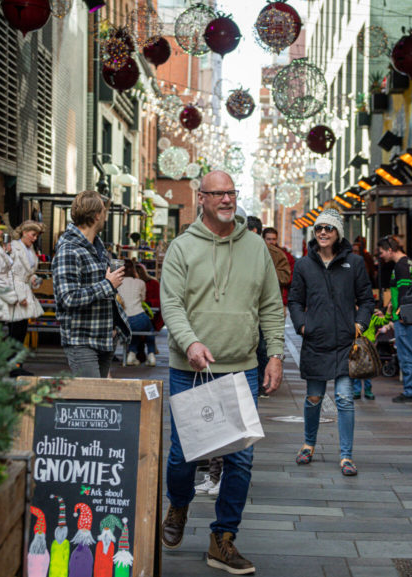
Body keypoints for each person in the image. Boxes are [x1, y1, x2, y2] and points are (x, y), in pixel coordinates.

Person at [159, 170, 284, 575]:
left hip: (241, 369)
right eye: (219, 193)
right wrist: (190, 342)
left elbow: (270, 306)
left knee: (241, 461)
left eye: (232, 192)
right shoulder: (181, 248)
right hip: (189, 368)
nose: (228, 200)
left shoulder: (254, 247)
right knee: (182, 457)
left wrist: (276, 355)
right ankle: (178, 504)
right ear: (202, 198)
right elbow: (172, 305)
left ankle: (223, 538)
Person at [288, 208, 374, 476]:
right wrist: (303, 325)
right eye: (319, 229)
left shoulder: (355, 263)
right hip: (315, 341)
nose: (323, 232)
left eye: (329, 228)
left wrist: (360, 324)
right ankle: (308, 444)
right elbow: (294, 300)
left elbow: (367, 300)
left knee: (345, 398)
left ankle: (346, 456)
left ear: (338, 233)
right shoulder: (303, 265)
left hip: (345, 344)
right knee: (314, 398)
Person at [53, 191, 130, 378]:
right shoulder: (69, 250)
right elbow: (68, 298)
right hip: (82, 341)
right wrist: (107, 284)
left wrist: (113, 327)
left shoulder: (97, 246)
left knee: (100, 400)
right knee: (90, 401)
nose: (106, 216)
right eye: (104, 211)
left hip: (103, 338)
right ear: (96, 215)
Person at [376, 236, 412, 402]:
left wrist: (400, 314)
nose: (380, 256)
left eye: (381, 252)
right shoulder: (408, 264)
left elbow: (404, 294)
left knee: (408, 355)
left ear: (390, 249)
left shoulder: (401, 266)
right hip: (407, 317)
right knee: (410, 353)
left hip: (405, 319)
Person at [248, 216, 290, 399]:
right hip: (247, 308)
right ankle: (253, 384)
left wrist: (266, 275)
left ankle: (262, 384)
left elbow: (286, 277)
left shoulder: (276, 254)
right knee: (251, 346)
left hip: (267, 306)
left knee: (265, 347)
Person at [7, 221, 46, 375]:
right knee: (15, 330)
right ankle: (12, 366)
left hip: (25, 291)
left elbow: (27, 273)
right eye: (33, 234)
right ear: (24, 232)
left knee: (21, 330)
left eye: (36, 235)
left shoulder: (30, 250)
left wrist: (34, 279)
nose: (35, 238)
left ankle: (16, 364)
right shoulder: (14, 247)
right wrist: (17, 295)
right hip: (16, 292)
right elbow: (10, 273)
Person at [118, 260, 156, 367]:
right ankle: (151, 354)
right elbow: (143, 299)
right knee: (149, 329)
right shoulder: (141, 283)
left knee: (132, 330)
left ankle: (131, 354)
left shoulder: (117, 281)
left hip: (123, 319)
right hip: (139, 315)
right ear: (133, 269)